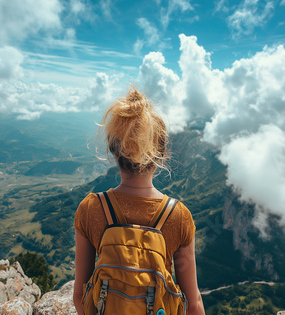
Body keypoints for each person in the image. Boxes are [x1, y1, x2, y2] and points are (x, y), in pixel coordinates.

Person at [73, 87, 205, 315]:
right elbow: (193, 305)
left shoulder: (91, 208)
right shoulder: (179, 216)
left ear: (114, 150)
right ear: (161, 152)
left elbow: (79, 297)